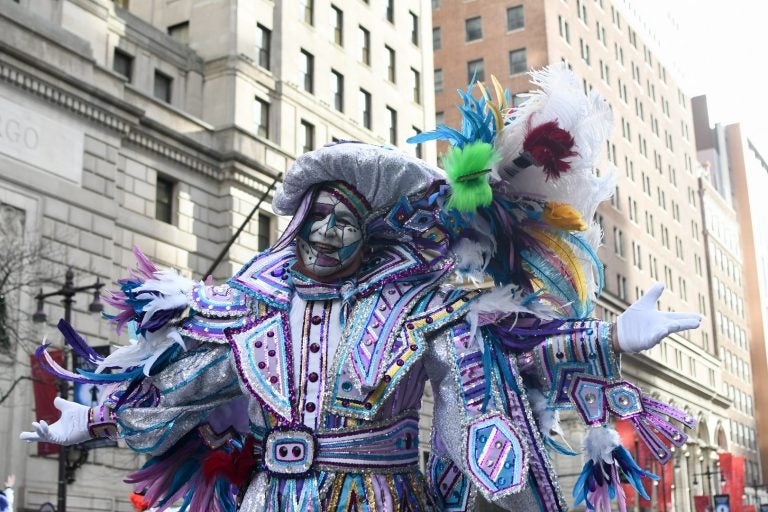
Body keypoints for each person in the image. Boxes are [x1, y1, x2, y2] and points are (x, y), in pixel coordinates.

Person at [22, 66, 701, 511]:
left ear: (367, 232)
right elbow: (190, 382)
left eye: (342, 223)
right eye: (314, 220)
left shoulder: (417, 305)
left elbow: (498, 370)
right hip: (272, 499)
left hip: (379, 498)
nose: (323, 235)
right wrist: (95, 415)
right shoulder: (261, 307)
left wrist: (612, 335)